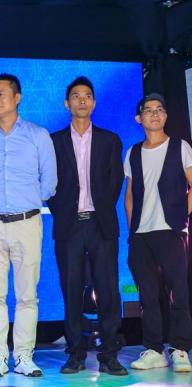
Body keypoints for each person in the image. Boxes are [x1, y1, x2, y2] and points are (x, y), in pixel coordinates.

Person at [0, 73, 57, 377]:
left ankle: (23, 357)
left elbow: (49, 180)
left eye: (2, 94)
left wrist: (28, 201)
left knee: (26, 295)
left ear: (17, 97)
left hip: (27, 222)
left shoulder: (37, 135)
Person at [47, 76, 127, 375]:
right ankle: (75, 353)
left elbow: (115, 180)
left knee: (107, 291)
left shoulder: (110, 139)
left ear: (93, 102)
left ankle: (109, 355)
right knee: (70, 290)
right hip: (69, 226)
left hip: (101, 225)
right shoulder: (53, 141)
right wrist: (61, 209)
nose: (82, 100)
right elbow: (48, 183)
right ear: (67, 103)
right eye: (76, 96)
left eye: (88, 95)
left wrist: (102, 208)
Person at [124, 93, 192, 373]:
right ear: (139, 118)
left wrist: (181, 216)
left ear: (165, 116)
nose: (155, 114)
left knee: (179, 291)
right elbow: (129, 195)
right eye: (148, 110)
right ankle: (153, 348)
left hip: (171, 230)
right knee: (147, 295)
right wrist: (133, 229)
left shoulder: (180, 147)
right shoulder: (133, 152)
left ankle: (180, 349)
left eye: (160, 110)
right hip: (141, 234)